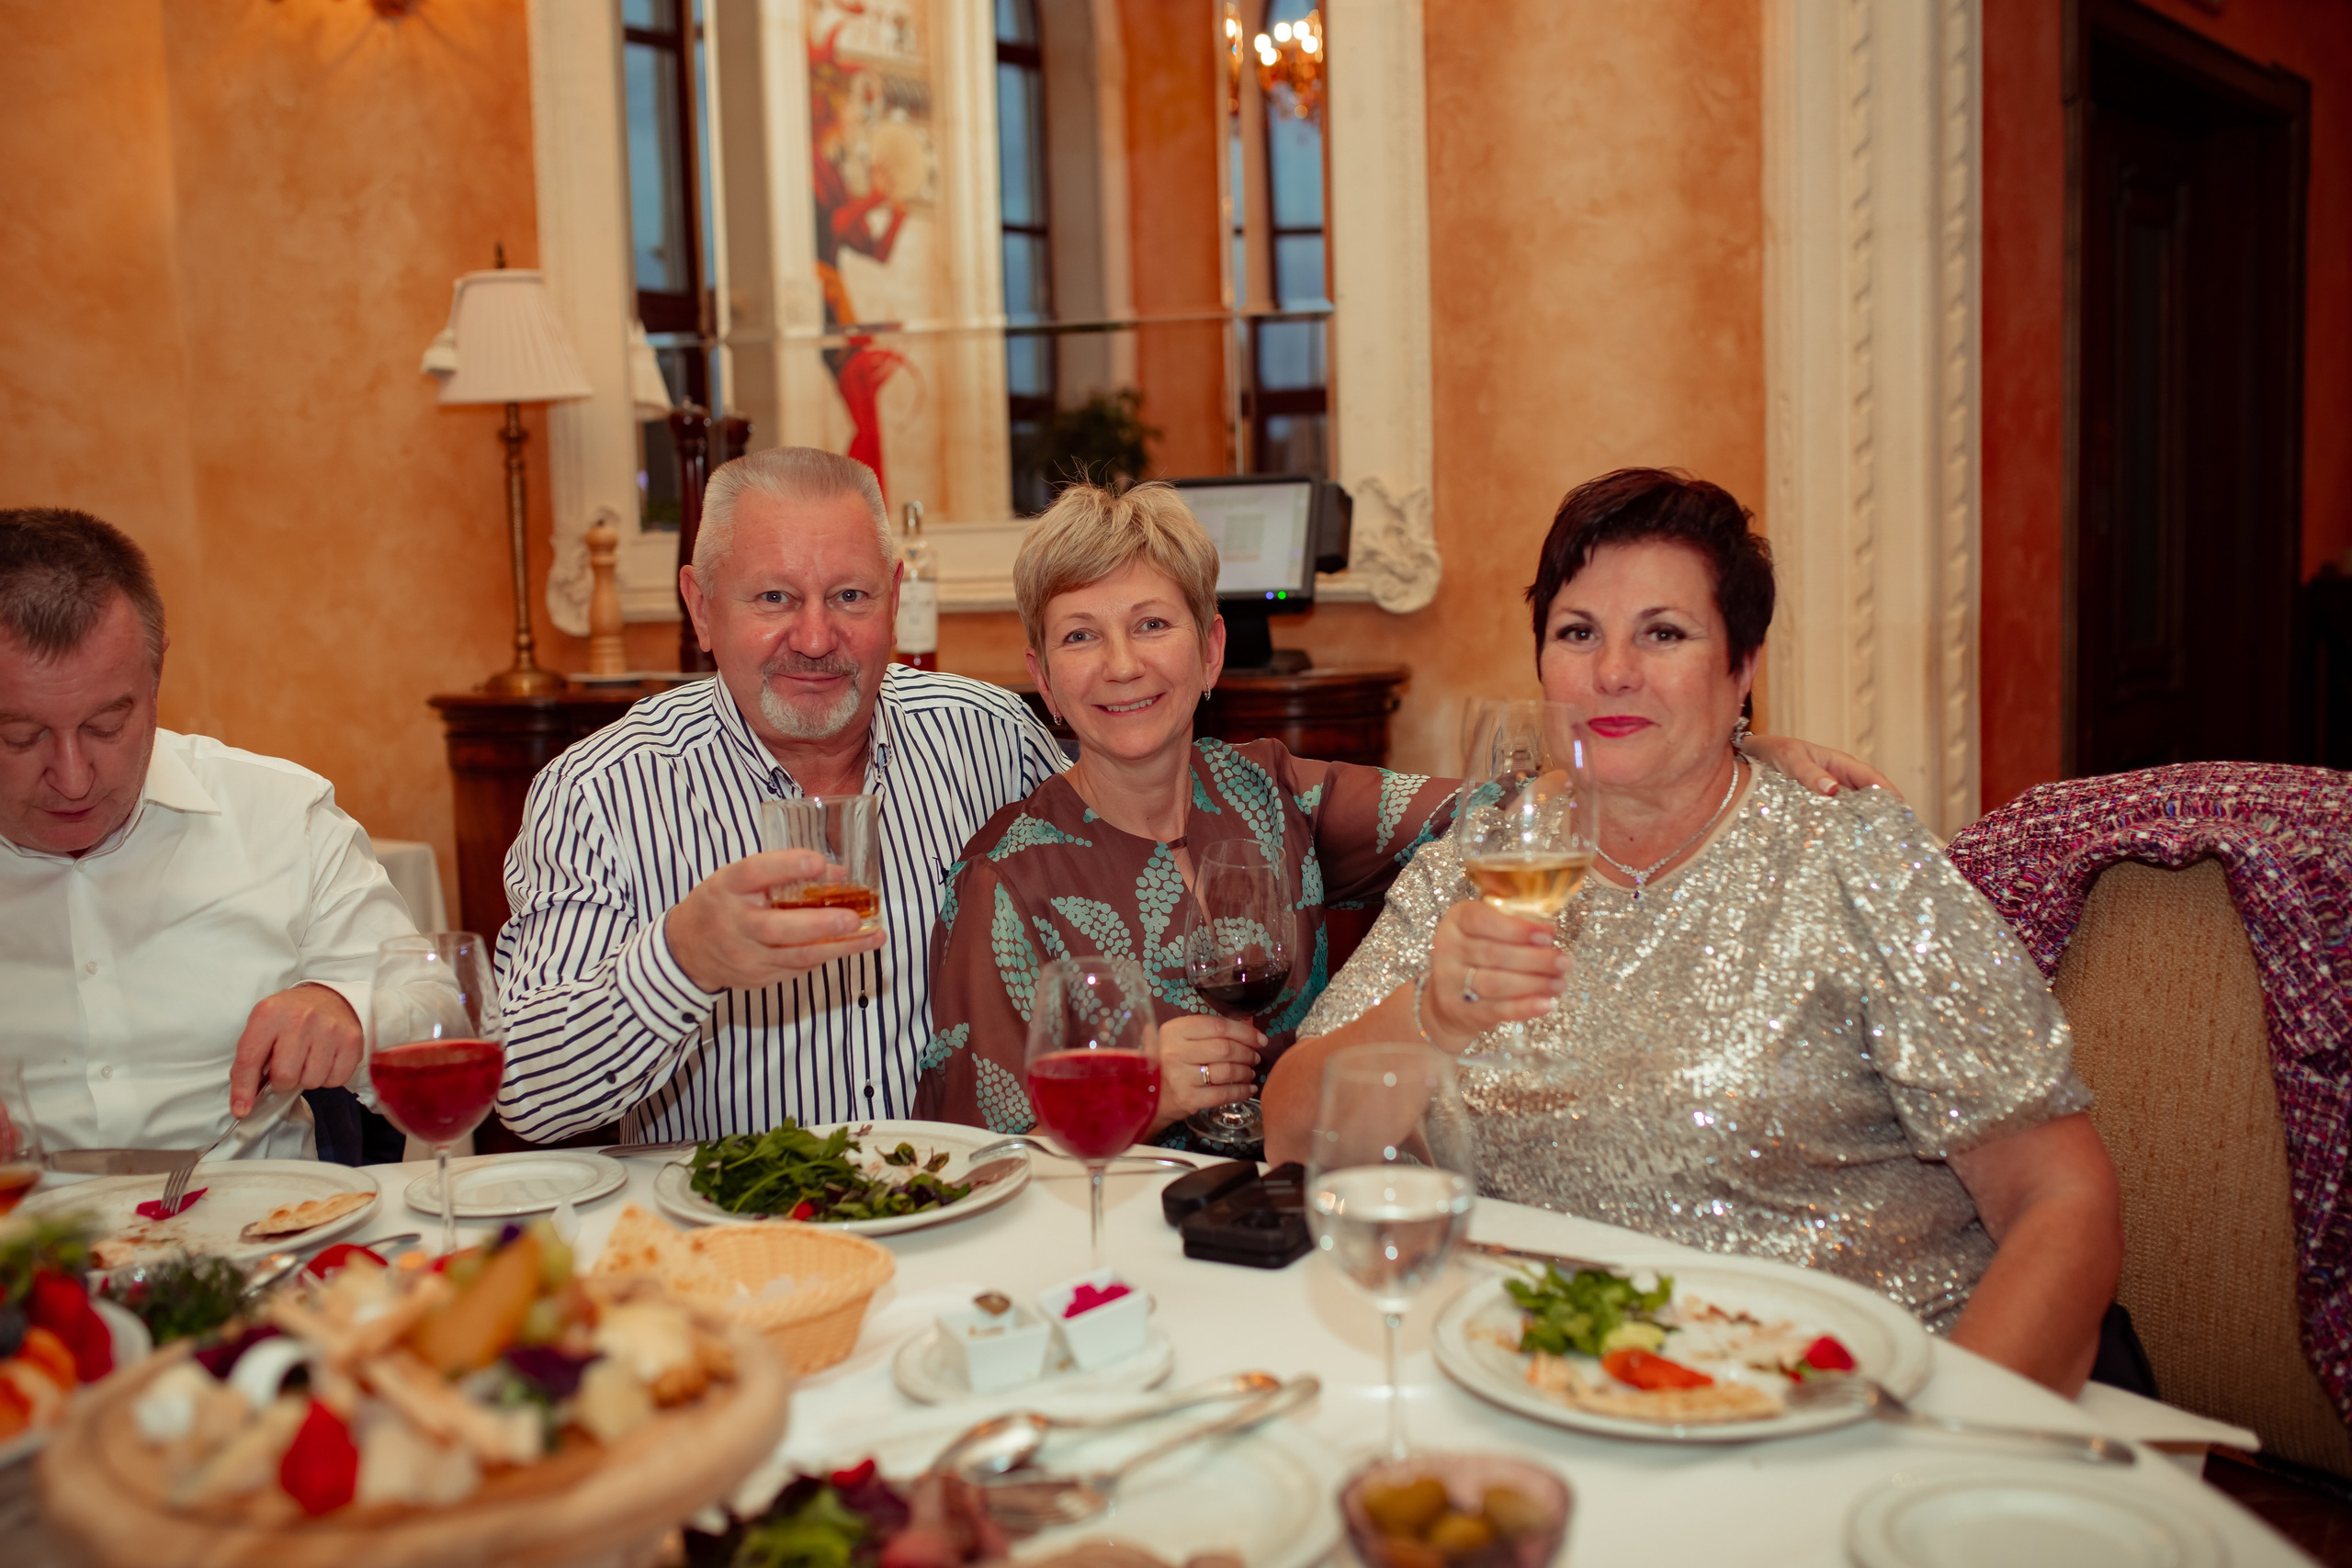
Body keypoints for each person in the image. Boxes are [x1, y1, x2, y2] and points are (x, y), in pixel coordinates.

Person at [1263, 468, 2123, 1394]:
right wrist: (1430, 1021)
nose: (1612, 672)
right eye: (1577, 633)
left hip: (1844, 1406)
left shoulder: (1852, 856)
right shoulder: (1476, 865)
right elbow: (1295, 1133)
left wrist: (1943, 1448)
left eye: (1663, 634)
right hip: (1546, 1387)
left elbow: (2061, 1200)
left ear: (1741, 667)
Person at [918, 480, 1895, 1144]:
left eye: (1151, 625)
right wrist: (1133, 1089)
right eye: (1081, 636)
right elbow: (978, 1161)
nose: (1122, 665)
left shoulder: (1272, 791)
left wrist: (1721, 739)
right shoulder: (1006, 873)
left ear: (1211, 653)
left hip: (1289, 1211)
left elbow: (1518, 811)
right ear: (1042, 680)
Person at [496, 446, 1068, 1144]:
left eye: (850, 596)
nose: (817, 636)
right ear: (701, 608)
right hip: (731, 1232)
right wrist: (682, 959)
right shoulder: (602, 793)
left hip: (961, 1211)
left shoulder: (993, 742)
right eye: (775, 598)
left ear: (894, 598)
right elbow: (524, 1090)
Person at [0, 508, 417, 1157]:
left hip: (269, 1238)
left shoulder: (279, 815)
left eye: (107, 725)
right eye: (21, 737)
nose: (74, 777)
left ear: (158, 669)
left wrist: (349, 1008)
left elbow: (442, 1010)